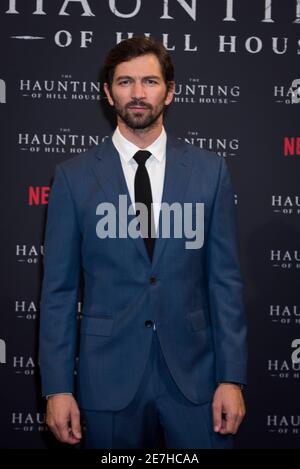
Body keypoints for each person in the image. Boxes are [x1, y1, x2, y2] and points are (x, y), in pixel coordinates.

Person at [39, 37, 247, 449]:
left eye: (150, 81)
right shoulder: (73, 177)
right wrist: (58, 388)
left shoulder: (211, 173)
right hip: (107, 380)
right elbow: (59, 292)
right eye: (125, 82)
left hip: (196, 380)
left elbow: (225, 283)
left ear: (170, 91)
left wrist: (232, 377)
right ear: (107, 92)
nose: (137, 93)